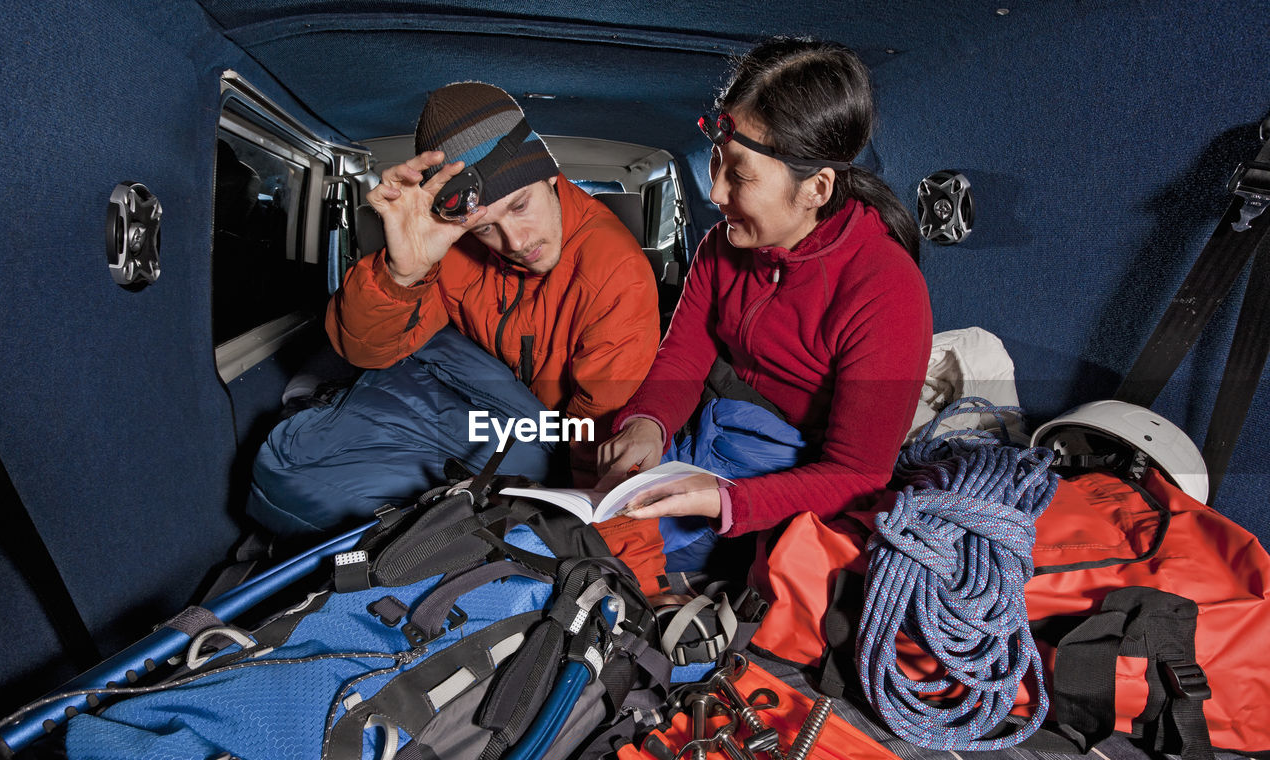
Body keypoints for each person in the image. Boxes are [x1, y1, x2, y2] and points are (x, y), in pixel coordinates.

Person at [597, 37, 933, 583]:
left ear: (817, 187)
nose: (715, 191)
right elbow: (683, 356)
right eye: (715, 162)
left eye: (740, 174)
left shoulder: (887, 289)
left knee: (593, 562)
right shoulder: (721, 247)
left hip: (781, 474)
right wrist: (647, 424)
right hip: (703, 432)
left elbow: (856, 474)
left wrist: (725, 500)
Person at [326, 81, 664, 564]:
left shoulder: (616, 273)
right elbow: (368, 350)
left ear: (550, 176)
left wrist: (638, 583)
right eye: (485, 226)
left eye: (520, 205)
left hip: (550, 441)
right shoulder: (453, 251)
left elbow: (605, 440)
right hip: (487, 427)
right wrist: (404, 271)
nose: (516, 241)